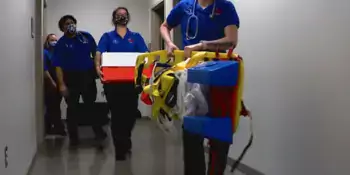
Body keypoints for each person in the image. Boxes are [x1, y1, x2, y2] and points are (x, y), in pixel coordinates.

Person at [160, 0, 240, 174]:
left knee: (219, 134)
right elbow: (165, 26)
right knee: (191, 131)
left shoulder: (225, 6)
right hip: (191, 75)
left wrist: (202, 46)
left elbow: (232, 40)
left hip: (219, 77)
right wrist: (169, 43)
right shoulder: (184, 6)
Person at [95, 7, 148, 160]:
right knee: (117, 115)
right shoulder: (107, 36)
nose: (121, 17)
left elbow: (145, 55)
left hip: (132, 82)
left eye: (124, 15)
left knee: (130, 114)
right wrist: (98, 68)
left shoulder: (136, 37)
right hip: (113, 83)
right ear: (114, 18)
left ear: (128, 17)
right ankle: (120, 147)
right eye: (118, 15)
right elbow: (99, 53)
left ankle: (126, 138)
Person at [52, 15, 107, 147]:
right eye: (66, 24)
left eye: (72, 23)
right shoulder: (61, 43)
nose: (70, 25)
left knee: (91, 105)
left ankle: (98, 132)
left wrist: (98, 68)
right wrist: (61, 84)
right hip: (70, 78)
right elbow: (58, 65)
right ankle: (73, 137)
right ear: (62, 28)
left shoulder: (86, 37)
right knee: (72, 108)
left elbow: (96, 54)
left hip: (87, 76)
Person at [43, 33, 66, 136]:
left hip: (58, 82)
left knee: (56, 106)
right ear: (47, 42)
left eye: (56, 40)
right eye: (52, 40)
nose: (54, 42)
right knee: (52, 106)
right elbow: (45, 69)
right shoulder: (45, 53)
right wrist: (52, 82)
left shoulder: (58, 53)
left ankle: (56, 127)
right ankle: (57, 128)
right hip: (50, 83)